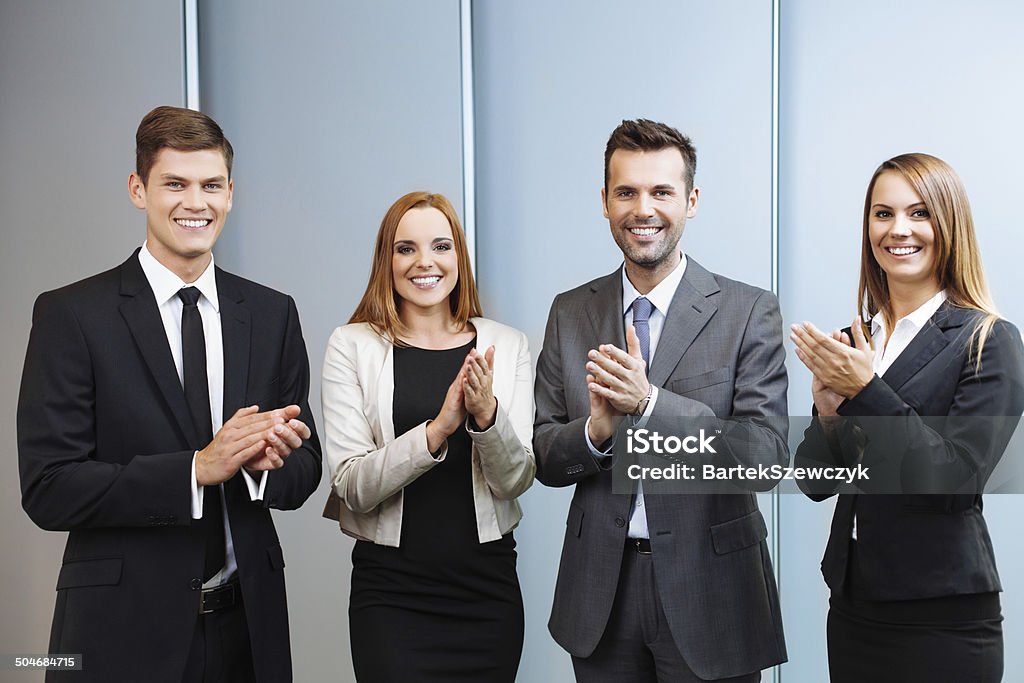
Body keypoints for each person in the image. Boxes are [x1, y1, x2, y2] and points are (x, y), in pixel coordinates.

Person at [17, 105, 322, 683]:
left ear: (231, 193)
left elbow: (306, 469)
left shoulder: (271, 313)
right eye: (174, 184)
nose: (195, 202)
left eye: (210, 185)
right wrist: (196, 470)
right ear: (138, 189)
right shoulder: (71, 316)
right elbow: (48, 488)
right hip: (120, 633)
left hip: (248, 631)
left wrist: (264, 465)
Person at [533, 119, 788, 683]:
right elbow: (546, 457)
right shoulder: (570, 313)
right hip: (601, 591)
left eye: (661, 192)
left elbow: (765, 456)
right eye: (626, 192)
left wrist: (650, 404)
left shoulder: (748, 311)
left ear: (690, 200)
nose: (642, 208)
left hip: (712, 590)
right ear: (605, 201)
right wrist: (596, 434)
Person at [791, 152, 1024, 682]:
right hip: (853, 611)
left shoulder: (988, 339)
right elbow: (815, 483)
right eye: (883, 213)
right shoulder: (856, 342)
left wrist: (866, 390)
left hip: (941, 621)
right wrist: (828, 411)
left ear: (949, 225)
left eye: (919, 213)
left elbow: (956, 480)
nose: (899, 230)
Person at [321, 191, 534, 682]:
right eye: (406, 248)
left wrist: (486, 419)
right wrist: (438, 431)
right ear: (386, 260)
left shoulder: (507, 343)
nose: (425, 262)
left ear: (458, 255)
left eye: (441, 246)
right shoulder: (351, 345)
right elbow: (352, 484)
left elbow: (515, 480)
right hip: (391, 596)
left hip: (486, 593)